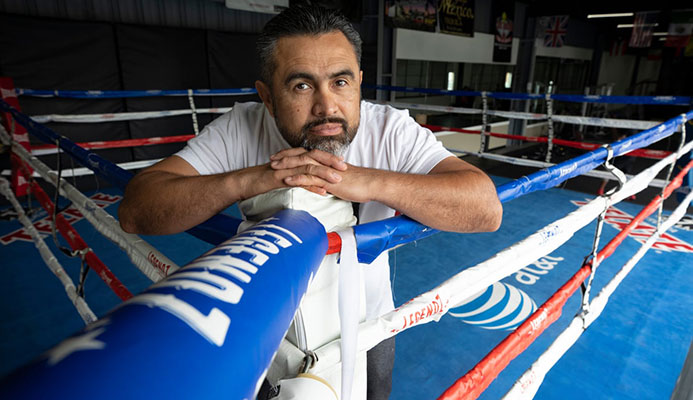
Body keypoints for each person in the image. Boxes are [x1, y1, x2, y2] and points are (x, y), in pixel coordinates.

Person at [118, 5, 502, 399]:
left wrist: (368, 182)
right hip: (268, 325)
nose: (326, 106)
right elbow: (137, 208)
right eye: (301, 86)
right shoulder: (243, 126)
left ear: (359, 83)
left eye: (341, 82)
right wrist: (248, 180)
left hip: (369, 321)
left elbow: (485, 207)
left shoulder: (388, 129)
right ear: (267, 97)